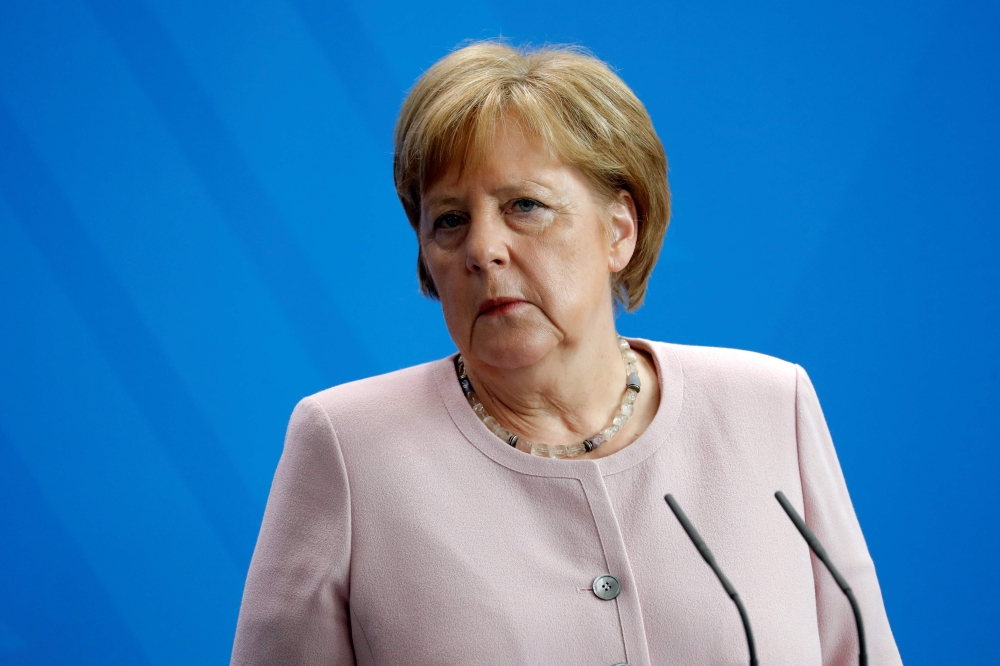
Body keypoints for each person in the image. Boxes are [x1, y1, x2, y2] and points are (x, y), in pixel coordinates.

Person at [231, 42, 902, 665]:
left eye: (524, 205)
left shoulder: (769, 405)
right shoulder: (350, 446)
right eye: (450, 220)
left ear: (619, 232)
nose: (482, 249)